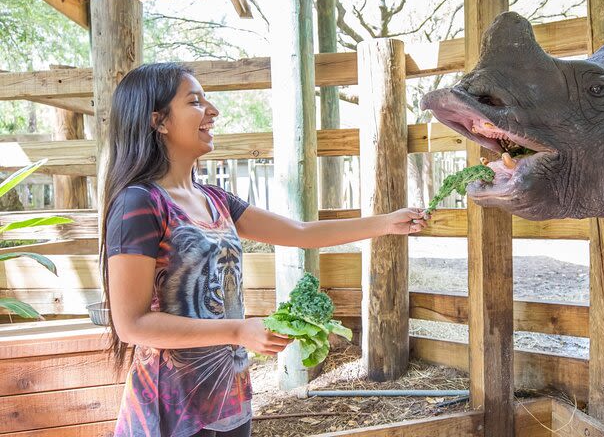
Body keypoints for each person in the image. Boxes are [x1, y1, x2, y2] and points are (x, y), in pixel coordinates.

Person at [101, 63, 430, 437]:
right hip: (170, 411)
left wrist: (386, 223)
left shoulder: (213, 198)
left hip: (231, 396)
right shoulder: (139, 203)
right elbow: (132, 324)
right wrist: (239, 331)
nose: (213, 111)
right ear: (158, 121)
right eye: (195, 102)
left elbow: (302, 232)